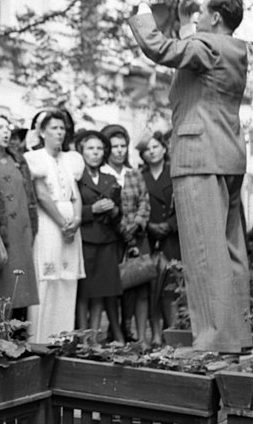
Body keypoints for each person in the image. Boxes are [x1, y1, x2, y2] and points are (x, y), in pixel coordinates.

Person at [127, 0, 251, 354]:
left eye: (202, 15)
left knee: (201, 250)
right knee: (230, 251)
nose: (197, 19)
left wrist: (141, 4)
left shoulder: (207, 45)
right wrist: (184, 22)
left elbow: (159, 49)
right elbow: (191, 63)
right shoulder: (232, 49)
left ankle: (211, 340)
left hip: (198, 156)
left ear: (214, 17)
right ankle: (236, 336)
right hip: (227, 155)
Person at [24, 110, 84, 343]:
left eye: (62, 128)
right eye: (54, 128)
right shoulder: (36, 158)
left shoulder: (71, 159)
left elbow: (75, 194)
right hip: (50, 224)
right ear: (42, 132)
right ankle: (40, 339)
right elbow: (42, 194)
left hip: (71, 224)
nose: (59, 132)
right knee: (47, 278)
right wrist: (62, 223)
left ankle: (63, 338)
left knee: (67, 280)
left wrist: (77, 220)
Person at [0, 114, 39, 318]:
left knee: (19, 284)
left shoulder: (18, 160)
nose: (6, 132)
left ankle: (16, 336)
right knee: (0, 283)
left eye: (7, 127)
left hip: (21, 228)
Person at [102, 124, 151, 347]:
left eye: (123, 146)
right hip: (112, 237)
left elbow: (144, 201)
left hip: (137, 235)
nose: (120, 150)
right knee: (114, 286)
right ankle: (116, 330)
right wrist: (122, 228)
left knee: (139, 285)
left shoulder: (134, 174)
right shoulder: (102, 174)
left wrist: (136, 224)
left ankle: (137, 334)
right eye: (115, 146)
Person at [74, 129, 123, 342]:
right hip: (84, 240)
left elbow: (119, 214)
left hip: (107, 241)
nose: (96, 153)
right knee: (84, 292)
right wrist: (91, 210)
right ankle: (83, 337)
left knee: (101, 292)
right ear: (81, 151)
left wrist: (113, 209)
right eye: (90, 148)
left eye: (100, 149)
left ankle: (93, 338)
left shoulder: (110, 178)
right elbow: (69, 207)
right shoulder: (76, 177)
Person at [137, 130, 180, 346]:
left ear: (164, 148)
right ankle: (154, 333)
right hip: (148, 237)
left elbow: (185, 203)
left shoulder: (175, 173)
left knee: (171, 287)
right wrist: (150, 226)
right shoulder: (139, 176)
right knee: (151, 287)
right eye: (147, 149)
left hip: (172, 237)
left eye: (155, 147)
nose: (152, 152)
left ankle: (171, 332)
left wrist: (169, 225)